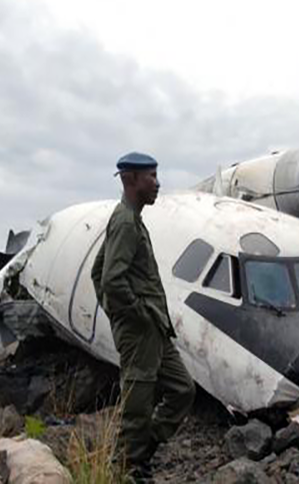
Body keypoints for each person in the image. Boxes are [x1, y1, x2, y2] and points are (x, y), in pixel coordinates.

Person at [91, 152, 195, 482]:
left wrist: (123, 313)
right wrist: (132, 315)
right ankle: (125, 471)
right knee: (137, 405)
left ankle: (140, 451)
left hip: (153, 329)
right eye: (151, 176)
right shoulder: (124, 222)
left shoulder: (131, 220)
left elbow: (98, 272)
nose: (157, 183)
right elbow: (109, 279)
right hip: (141, 331)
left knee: (182, 390)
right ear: (130, 179)